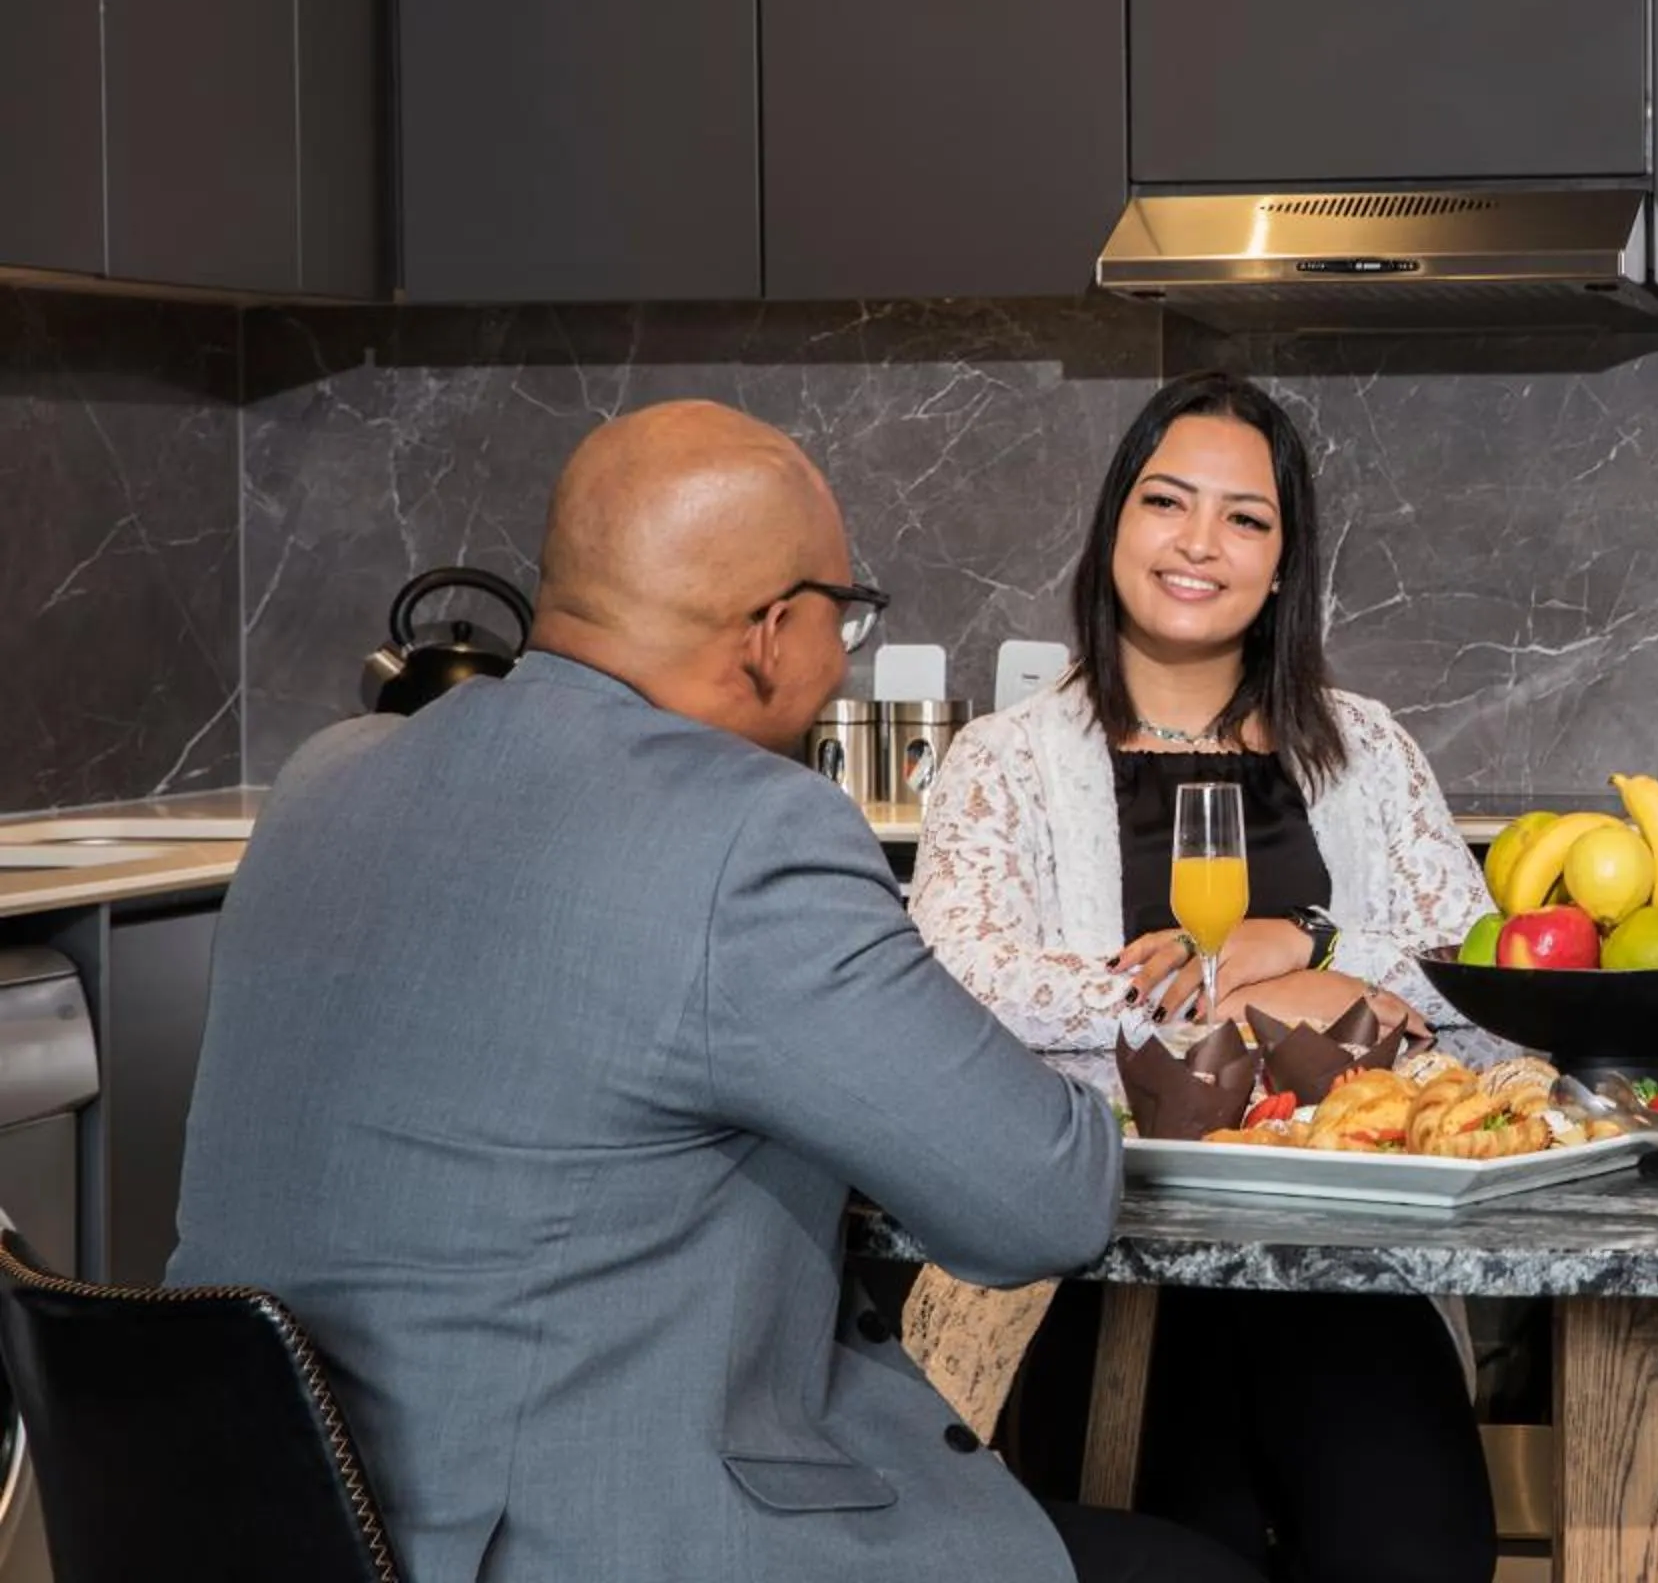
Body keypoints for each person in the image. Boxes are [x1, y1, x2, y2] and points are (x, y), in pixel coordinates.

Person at [170, 402, 1255, 1583]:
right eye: (847, 614)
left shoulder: (326, 777)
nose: (840, 652)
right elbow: (1041, 1202)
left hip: (261, 1519)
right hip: (580, 1539)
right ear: (773, 631)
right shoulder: (751, 832)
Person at [909, 371, 1498, 1583]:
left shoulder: (1367, 744)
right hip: (1101, 1247)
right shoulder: (1005, 758)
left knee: (1417, 1549)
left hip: (1342, 1252)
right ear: (1116, 524)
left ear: (1283, 563)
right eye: (1167, 501)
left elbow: (1473, 966)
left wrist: (1316, 943)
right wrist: (1203, 1002)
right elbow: (959, 976)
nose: (1198, 543)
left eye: (1245, 517)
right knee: (1181, 1550)